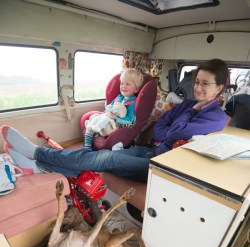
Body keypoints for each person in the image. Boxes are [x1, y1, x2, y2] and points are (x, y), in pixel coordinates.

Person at [1, 59, 229, 183]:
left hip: (161, 166)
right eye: (196, 81)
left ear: (219, 88)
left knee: (105, 157)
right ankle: (39, 166)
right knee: (94, 157)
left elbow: (171, 134)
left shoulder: (216, 119)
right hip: (148, 150)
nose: (197, 88)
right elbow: (160, 131)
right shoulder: (186, 105)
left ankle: (38, 155)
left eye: (204, 83)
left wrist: (192, 111)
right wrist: (184, 115)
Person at [84, 68, 144, 151]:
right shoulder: (119, 97)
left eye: (128, 84)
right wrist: (104, 114)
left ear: (136, 89)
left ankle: (116, 148)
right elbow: (108, 107)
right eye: (122, 83)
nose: (123, 86)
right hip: (107, 118)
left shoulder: (133, 102)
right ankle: (87, 147)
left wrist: (115, 118)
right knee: (91, 121)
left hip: (118, 125)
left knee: (101, 126)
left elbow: (129, 120)